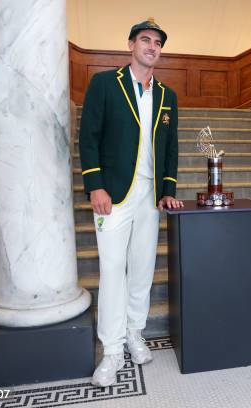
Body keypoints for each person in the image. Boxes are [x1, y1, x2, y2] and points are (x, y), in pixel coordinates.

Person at [79, 20, 183, 387]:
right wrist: (95, 185)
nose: (152, 46)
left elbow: (170, 148)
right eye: (145, 40)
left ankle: (135, 334)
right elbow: (88, 137)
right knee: (112, 271)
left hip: (149, 198)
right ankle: (111, 350)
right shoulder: (105, 84)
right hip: (114, 196)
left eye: (157, 43)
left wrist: (167, 189)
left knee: (141, 269)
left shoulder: (167, 95)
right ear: (130, 44)